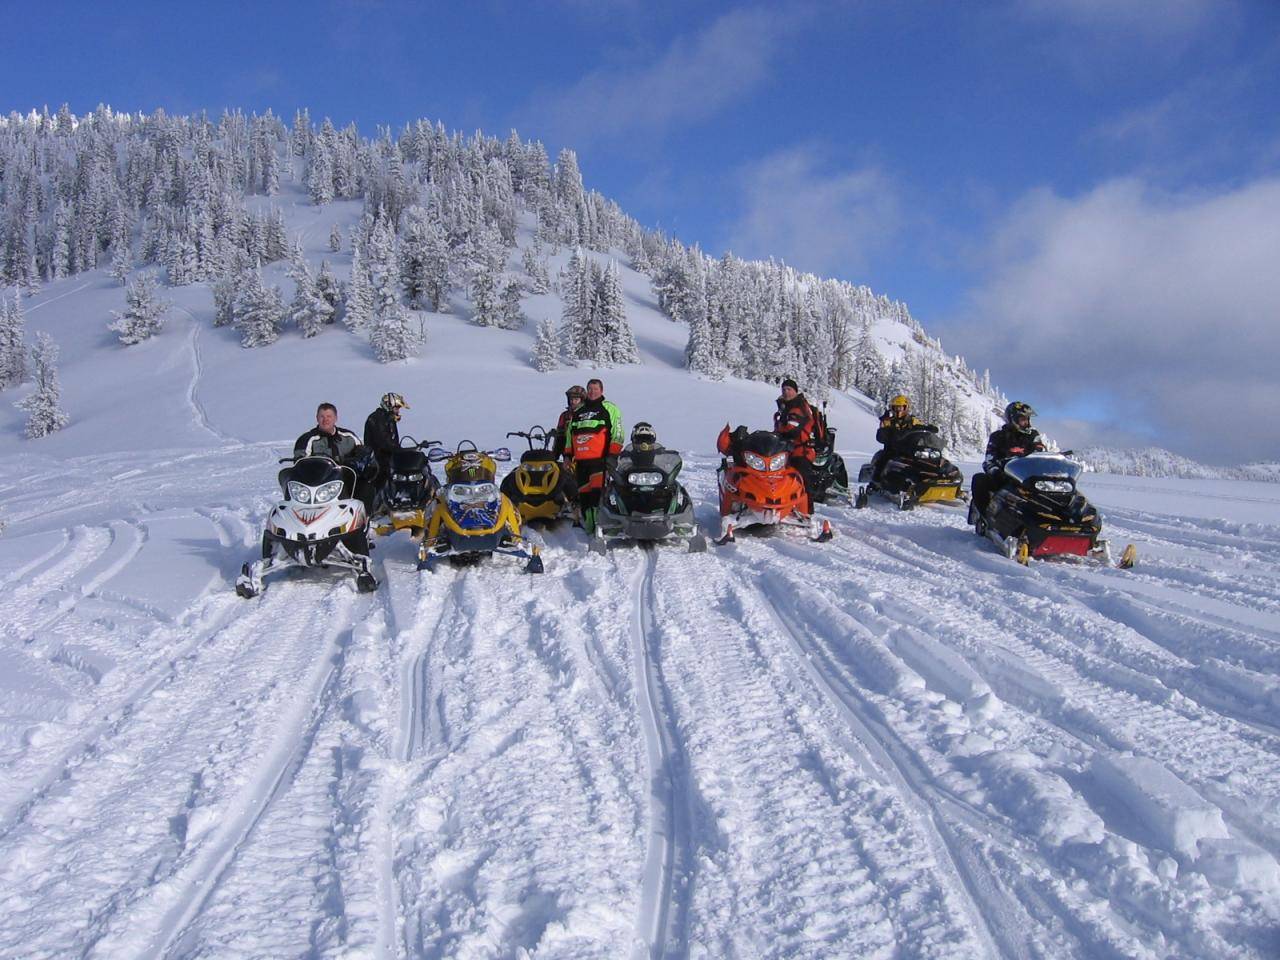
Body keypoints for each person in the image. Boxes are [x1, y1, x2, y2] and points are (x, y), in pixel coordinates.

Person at [969, 401, 1047, 521]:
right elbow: (989, 460)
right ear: (1013, 419)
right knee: (979, 479)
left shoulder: (1033, 436)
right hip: (1005, 477)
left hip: (1029, 478)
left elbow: (1041, 454)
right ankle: (985, 517)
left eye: (1027, 419)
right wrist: (996, 471)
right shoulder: (998, 437)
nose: (1026, 423)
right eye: (1022, 419)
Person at [293, 402, 376, 512]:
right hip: (319, 484)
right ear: (317, 418)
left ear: (335, 418)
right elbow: (300, 461)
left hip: (346, 480)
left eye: (329, 416)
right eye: (322, 416)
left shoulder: (348, 436)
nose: (325, 420)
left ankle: (364, 518)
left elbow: (362, 452)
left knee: (366, 487)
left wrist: (358, 459)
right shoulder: (307, 439)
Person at [567, 378, 623, 533]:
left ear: (602, 390)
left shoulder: (609, 408)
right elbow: (569, 436)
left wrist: (613, 455)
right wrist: (567, 455)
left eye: (595, 389)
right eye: (590, 389)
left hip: (600, 460)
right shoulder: (578, 412)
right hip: (581, 462)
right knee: (584, 496)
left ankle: (601, 526)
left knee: (597, 495)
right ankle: (589, 527)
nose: (592, 392)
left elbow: (617, 433)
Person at [773, 377, 815, 495]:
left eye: (789, 389)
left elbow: (792, 429)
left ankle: (807, 508)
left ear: (795, 391)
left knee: (803, 479)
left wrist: (777, 433)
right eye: (784, 389)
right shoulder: (786, 407)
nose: (786, 392)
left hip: (801, 450)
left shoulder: (798, 407)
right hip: (786, 449)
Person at [870, 394, 925, 484]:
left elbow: (921, 427)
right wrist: (884, 426)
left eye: (900, 408)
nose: (898, 411)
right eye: (896, 408)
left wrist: (929, 429)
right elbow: (880, 436)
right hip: (893, 449)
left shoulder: (912, 421)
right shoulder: (888, 421)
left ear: (905, 408)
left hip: (910, 449)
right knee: (884, 459)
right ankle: (876, 481)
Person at [364, 392, 410, 484]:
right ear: (389, 406)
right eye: (396, 408)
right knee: (382, 484)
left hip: (387, 461)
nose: (398, 411)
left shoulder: (388, 419)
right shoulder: (378, 419)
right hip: (378, 463)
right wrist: (402, 451)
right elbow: (384, 442)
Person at [551, 385, 586, 463]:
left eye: (576, 399)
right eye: (571, 399)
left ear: (582, 400)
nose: (573, 402)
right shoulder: (565, 416)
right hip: (568, 455)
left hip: (585, 453)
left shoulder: (588, 415)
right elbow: (559, 437)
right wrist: (554, 455)